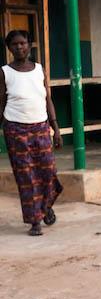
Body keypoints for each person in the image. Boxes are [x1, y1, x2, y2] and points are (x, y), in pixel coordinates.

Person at [1, 30, 62, 236]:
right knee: (26, 175)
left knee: (48, 171)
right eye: (15, 44)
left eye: (23, 43)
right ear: (9, 48)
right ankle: (34, 220)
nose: (19, 47)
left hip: (41, 127)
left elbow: (47, 99)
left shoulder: (39, 69)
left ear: (29, 45)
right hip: (15, 129)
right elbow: (1, 103)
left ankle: (45, 205)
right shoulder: (5, 72)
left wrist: (56, 128)